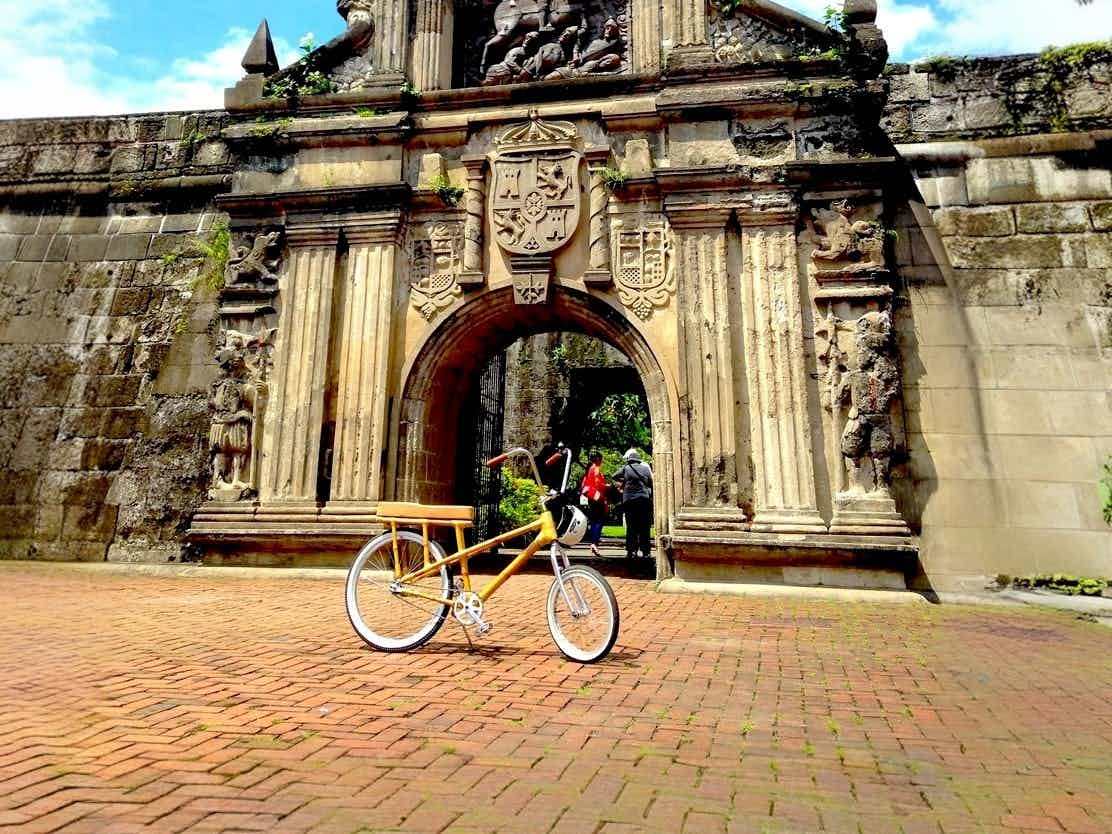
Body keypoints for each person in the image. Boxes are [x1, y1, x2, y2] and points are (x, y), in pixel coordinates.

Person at [615, 448, 653, 560]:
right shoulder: (646, 469)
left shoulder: (626, 468)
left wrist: (625, 481)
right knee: (644, 527)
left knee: (631, 527)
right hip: (643, 500)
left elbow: (614, 475)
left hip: (629, 501)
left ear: (630, 460)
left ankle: (631, 551)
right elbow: (651, 483)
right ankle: (646, 551)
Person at [580, 450, 609, 557]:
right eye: (601, 459)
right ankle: (594, 543)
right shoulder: (595, 468)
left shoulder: (588, 469)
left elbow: (584, 483)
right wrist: (608, 486)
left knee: (594, 520)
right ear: (598, 459)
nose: (602, 461)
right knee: (599, 521)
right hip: (598, 497)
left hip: (591, 497)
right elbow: (598, 484)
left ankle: (593, 542)